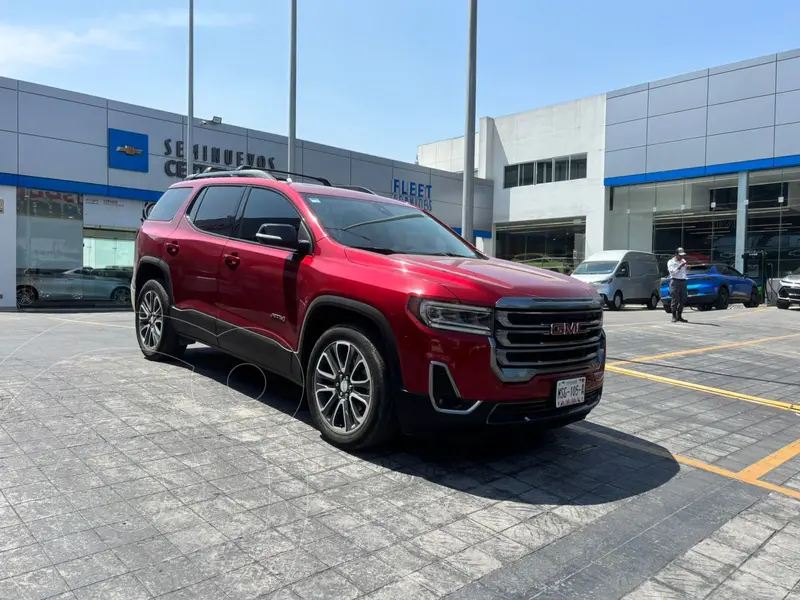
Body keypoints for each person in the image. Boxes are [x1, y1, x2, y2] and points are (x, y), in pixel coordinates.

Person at [667, 248, 689, 323]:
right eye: (680, 255)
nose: (682, 257)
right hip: (675, 281)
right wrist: (680, 266)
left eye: (682, 255)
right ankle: (674, 316)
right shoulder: (671, 262)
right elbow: (672, 273)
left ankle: (679, 316)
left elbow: (684, 272)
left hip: (683, 281)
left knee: (683, 299)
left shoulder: (683, 261)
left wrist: (687, 268)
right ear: (676, 255)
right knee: (675, 299)